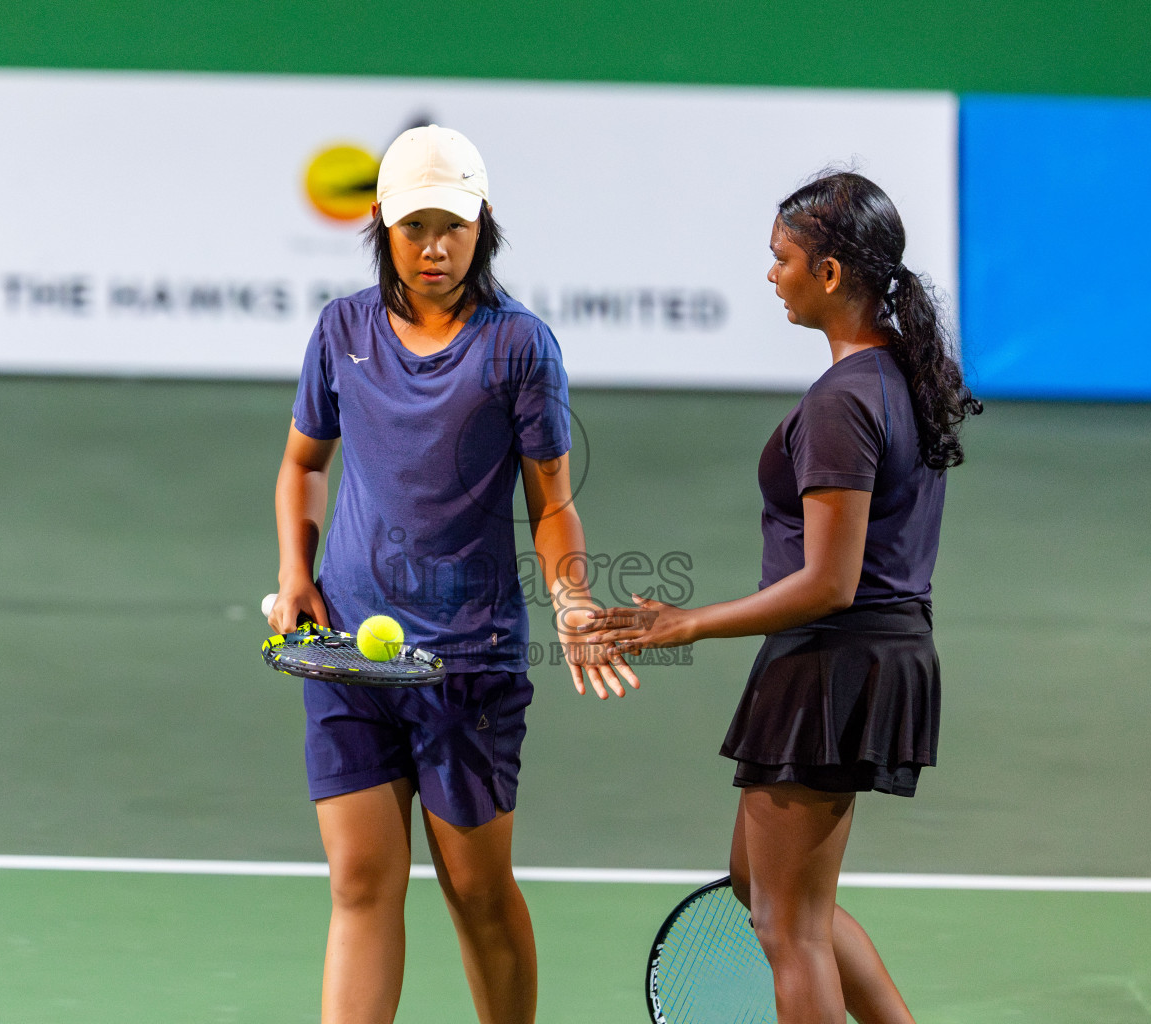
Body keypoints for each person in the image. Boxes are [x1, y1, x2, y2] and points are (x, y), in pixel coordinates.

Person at [589, 171, 981, 1024]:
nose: (772, 274)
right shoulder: (901, 373)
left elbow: (829, 582)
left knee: (787, 926)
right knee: (760, 884)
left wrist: (686, 623)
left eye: (783, 259)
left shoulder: (843, 402)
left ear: (830, 274)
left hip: (829, 665)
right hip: (882, 655)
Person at [269, 124, 637, 1024]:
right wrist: (297, 570)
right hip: (348, 653)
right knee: (360, 881)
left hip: (468, 661)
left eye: (453, 227)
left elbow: (551, 501)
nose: (434, 248)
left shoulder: (519, 347)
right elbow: (304, 464)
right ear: (380, 224)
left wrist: (571, 597)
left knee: (475, 889)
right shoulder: (343, 330)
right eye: (414, 227)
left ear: (484, 225)